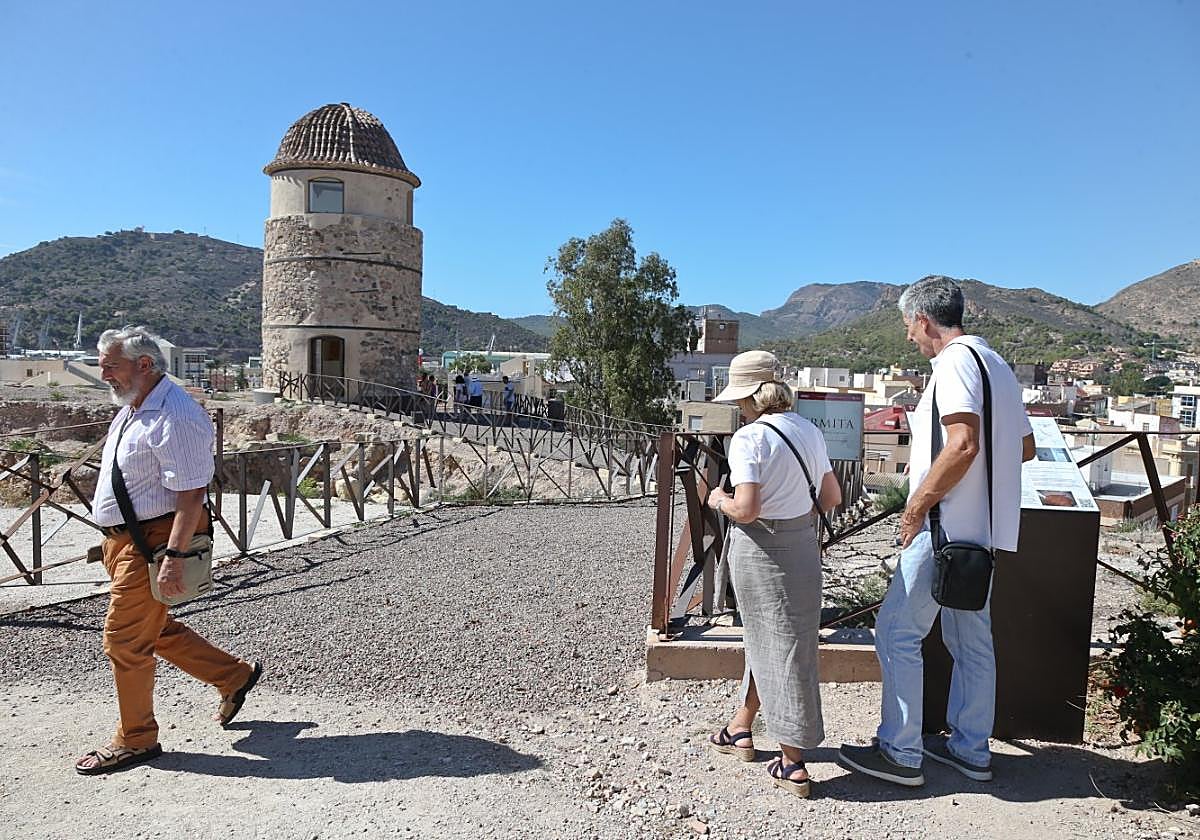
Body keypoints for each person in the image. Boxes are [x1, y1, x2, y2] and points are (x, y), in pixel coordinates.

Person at [839, 277, 1034, 787]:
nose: (909, 337)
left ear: (924, 320)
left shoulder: (952, 364)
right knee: (972, 642)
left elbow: (963, 443)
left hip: (942, 529)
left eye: (909, 326)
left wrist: (918, 503)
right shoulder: (999, 366)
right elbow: (1024, 448)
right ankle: (971, 750)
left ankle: (900, 751)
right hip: (982, 535)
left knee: (897, 632)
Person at [75, 326, 262, 775]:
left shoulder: (175, 415)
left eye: (111, 367)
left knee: (124, 639)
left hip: (153, 543)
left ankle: (136, 739)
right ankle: (233, 676)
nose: (105, 376)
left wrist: (174, 558)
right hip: (128, 542)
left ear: (144, 365)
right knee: (151, 630)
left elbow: (190, 494)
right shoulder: (134, 407)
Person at [704, 350, 842, 799]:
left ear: (746, 396)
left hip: (761, 549)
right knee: (780, 642)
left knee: (776, 646)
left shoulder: (748, 438)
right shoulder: (808, 429)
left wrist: (717, 502)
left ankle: (793, 760)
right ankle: (741, 728)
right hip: (802, 547)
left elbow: (746, 509)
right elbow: (832, 495)